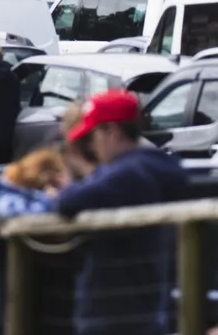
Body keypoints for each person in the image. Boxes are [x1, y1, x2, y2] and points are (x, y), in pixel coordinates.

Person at [54, 89, 189, 335]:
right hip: (144, 308)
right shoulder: (158, 165)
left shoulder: (126, 174)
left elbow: (69, 202)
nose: (92, 147)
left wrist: (72, 184)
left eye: (93, 136)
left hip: (114, 314)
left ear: (112, 132)